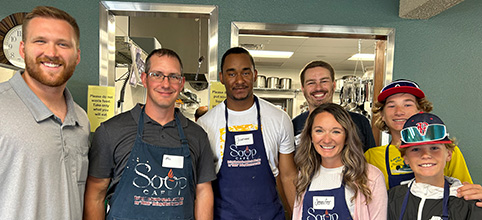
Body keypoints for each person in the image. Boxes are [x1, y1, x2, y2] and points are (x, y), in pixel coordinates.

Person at [84, 48, 216, 220]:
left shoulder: (197, 135)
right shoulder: (111, 131)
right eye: (157, 75)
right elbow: (95, 194)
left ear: (182, 82)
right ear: (144, 79)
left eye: (173, 76)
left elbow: (203, 192)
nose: (166, 84)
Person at [0, 6, 89, 219]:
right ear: (23, 49)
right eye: (40, 41)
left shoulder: (81, 120)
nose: (51, 53)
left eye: (62, 44)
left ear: (77, 56)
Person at [197, 47, 297, 219]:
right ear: (221, 77)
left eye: (245, 73)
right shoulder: (205, 124)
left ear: (255, 75)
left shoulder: (279, 118)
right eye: (231, 74)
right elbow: (202, 186)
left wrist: (298, 215)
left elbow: (288, 176)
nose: (239, 80)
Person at [364, 79, 473, 190]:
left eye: (407, 105)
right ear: (382, 115)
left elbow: (465, 193)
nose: (399, 112)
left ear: (420, 110)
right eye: (391, 106)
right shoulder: (371, 157)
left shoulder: (445, 150)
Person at [292, 103, 387, 220]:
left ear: (347, 137)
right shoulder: (304, 176)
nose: (327, 140)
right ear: (310, 136)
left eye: (336, 132)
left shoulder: (370, 177)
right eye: (319, 131)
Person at [388, 112, 482, 220]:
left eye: (434, 148)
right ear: (406, 159)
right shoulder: (392, 198)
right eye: (416, 149)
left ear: (449, 154)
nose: (425, 155)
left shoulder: (468, 202)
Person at [292, 60, 376, 152]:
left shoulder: (360, 122)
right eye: (311, 83)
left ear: (334, 85)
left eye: (324, 81)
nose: (318, 88)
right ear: (303, 89)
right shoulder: (294, 125)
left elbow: (370, 160)